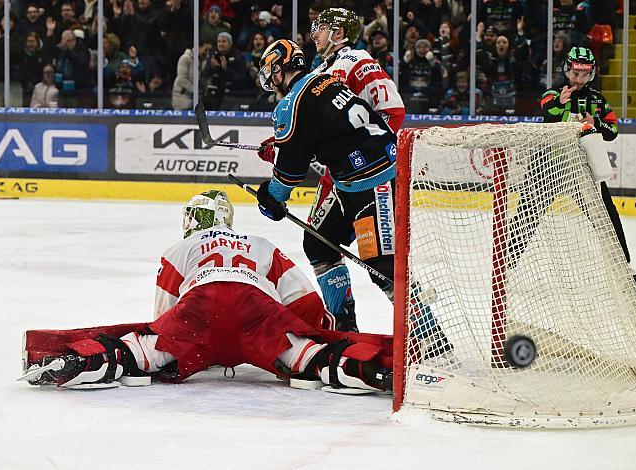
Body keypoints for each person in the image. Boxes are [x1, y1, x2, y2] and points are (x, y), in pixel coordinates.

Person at [21, 190, 394, 394]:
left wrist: (167, 341)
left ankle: (86, 361)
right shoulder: (259, 242)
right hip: (257, 313)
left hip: (200, 313)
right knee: (308, 357)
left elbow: (163, 317)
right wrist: (317, 334)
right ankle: (359, 366)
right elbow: (306, 303)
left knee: (141, 352)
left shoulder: (180, 248)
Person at [257, 8, 405, 332]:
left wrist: (272, 196)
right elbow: (327, 132)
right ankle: (343, 328)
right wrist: (286, 143)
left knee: (381, 265)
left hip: (374, 179)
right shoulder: (322, 76)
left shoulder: (350, 62)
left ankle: (427, 336)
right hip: (350, 178)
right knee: (318, 243)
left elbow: (292, 168)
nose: (316, 35)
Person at [510, 47, 636, 283]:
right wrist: (561, 101)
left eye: (583, 75)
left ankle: (624, 265)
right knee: (525, 218)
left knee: (606, 217)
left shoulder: (597, 100)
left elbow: (612, 131)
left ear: (591, 75)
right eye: (574, 73)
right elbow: (548, 111)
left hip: (581, 170)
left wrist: (596, 122)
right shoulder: (553, 93)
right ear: (566, 70)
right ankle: (504, 266)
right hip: (546, 169)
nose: (577, 79)